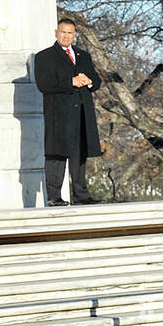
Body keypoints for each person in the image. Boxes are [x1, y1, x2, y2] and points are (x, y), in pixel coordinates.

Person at [35, 18, 102, 206]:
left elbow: (96, 81)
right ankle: (54, 196)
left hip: (81, 112)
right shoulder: (44, 56)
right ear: (56, 33)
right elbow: (44, 84)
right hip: (59, 113)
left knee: (80, 154)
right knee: (56, 154)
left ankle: (81, 195)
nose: (66, 36)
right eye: (63, 32)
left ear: (75, 35)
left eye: (70, 33)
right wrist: (71, 82)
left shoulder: (83, 55)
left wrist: (87, 81)